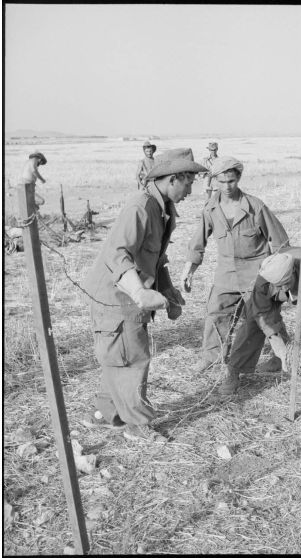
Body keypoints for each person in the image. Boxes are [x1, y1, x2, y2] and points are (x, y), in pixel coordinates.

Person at [82, 148, 207, 442]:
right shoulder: (140, 207)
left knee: (120, 356)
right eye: (189, 183)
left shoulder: (161, 208)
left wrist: (168, 291)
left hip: (127, 294)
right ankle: (137, 425)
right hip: (115, 296)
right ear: (173, 179)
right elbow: (117, 254)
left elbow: (155, 258)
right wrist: (139, 292)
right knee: (132, 358)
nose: (191, 190)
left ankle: (105, 413)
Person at [181, 156, 290, 373]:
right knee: (216, 312)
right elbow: (198, 241)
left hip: (256, 273)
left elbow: (280, 241)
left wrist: (282, 277)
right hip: (226, 272)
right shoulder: (211, 209)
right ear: (214, 181)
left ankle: (283, 356)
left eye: (231, 181)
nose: (227, 187)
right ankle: (212, 357)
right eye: (221, 182)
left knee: (265, 317)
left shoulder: (255, 207)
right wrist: (189, 269)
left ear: (238, 178)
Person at [219, 247, 301, 394]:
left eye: (286, 283)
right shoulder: (263, 281)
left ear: (293, 271)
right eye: (279, 285)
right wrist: (283, 354)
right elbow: (264, 317)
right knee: (253, 322)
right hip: (270, 298)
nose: (283, 288)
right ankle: (234, 371)